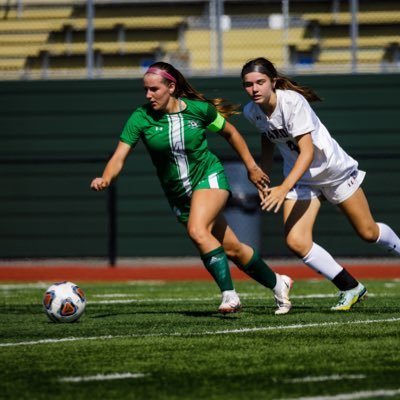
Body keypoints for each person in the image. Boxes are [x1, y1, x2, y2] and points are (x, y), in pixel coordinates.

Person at [90, 61, 293, 315]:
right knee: (233, 248)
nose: (148, 95)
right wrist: (106, 177)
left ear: (171, 87)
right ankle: (278, 283)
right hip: (179, 195)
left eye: (154, 89)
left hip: (209, 177)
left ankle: (230, 295)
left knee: (197, 230)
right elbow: (119, 156)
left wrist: (252, 167)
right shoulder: (139, 117)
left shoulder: (199, 110)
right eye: (145, 90)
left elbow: (231, 133)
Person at [240, 57, 400, 311]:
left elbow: (307, 153)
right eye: (248, 85)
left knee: (368, 233)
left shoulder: (293, 102)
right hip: (302, 178)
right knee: (296, 241)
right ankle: (350, 287)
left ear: (273, 82)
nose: (255, 89)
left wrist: (283, 187)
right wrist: (264, 172)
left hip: (332, 171)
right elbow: (269, 137)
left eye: (260, 82)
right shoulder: (251, 111)